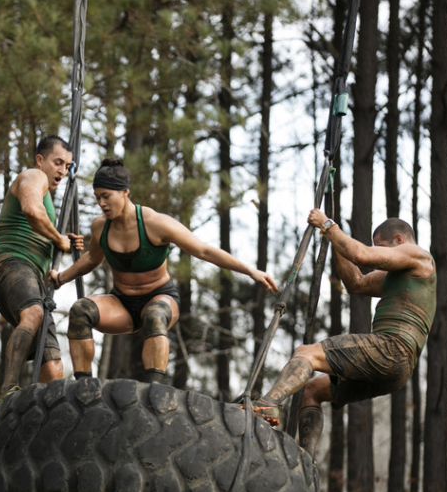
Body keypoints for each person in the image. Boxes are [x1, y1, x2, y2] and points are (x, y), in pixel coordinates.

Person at [49, 157, 277, 383]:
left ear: (125, 192)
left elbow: (203, 250)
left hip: (160, 298)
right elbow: (92, 259)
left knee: (154, 315)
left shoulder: (155, 223)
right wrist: (60, 278)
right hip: (122, 304)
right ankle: (83, 386)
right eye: (98, 197)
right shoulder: (100, 226)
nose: (101, 203)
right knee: (81, 310)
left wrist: (251, 271)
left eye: (106, 196)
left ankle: (155, 391)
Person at [249, 210, 436, 448]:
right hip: (397, 370)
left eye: (381, 246)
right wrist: (335, 241)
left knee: (307, 353)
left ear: (398, 240)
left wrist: (328, 225)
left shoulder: (417, 254)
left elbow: (361, 254)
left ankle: (268, 403)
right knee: (312, 390)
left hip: (392, 347)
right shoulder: (398, 275)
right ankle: (306, 464)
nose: (380, 252)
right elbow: (356, 283)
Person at [0, 134, 83, 395]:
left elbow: (43, 225)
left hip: (33, 276)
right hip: (12, 263)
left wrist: (64, 242)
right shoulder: (33, 176)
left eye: (67, 166)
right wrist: (57, 239)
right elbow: (31, 210)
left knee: (53, 369)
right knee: (34, 314)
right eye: (58, 162)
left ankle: (44, 418)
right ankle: (8, 390)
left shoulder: (48, 196)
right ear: (40, 160)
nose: (62, 170)